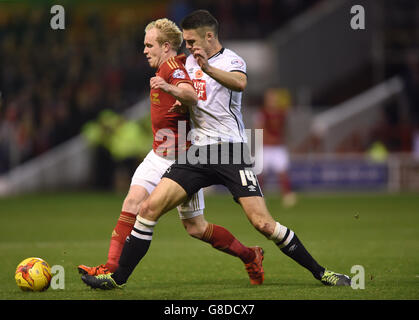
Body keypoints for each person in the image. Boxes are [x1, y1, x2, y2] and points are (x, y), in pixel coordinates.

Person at [82, 10, 351, 289]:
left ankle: (322, 273)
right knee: (148, 208)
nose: (188, 47)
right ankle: (116, 278)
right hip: (198, 152)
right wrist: (180, 101)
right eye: (185, 42)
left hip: (229, 151)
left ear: (209, 36)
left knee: (262, 223)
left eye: (192, 41)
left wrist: (207, 69)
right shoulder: (187, 63)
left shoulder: (232, 60)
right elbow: (190, 94)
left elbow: (240, 83)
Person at [78, 18, 264, 286]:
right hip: (157, 155)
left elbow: (189, 93)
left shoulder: (174, 68)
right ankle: (109, 268)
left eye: (148, 44)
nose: (144, 50)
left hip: (184, 161)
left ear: (165, 46)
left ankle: (249, 255)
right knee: (131, 203)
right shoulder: (167, 67)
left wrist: (173, 90)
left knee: (196, 228)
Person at [255, 88, 297, 207]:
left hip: (278, 147)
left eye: (274, 97)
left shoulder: (282, 113)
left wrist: (287, 141)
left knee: (283, 172)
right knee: (261, 174)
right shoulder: (262, 112)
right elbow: (259, 128)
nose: (272, 100)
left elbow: (285, 129)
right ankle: (259, 196)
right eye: (270, 97)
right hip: (265, 147)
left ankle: (287, 195)